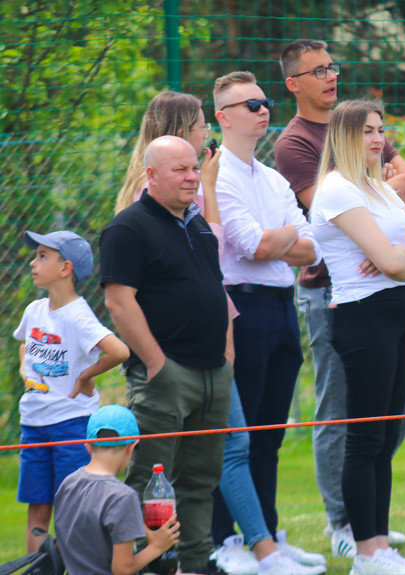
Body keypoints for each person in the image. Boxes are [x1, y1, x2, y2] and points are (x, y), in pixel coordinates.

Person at [274, 38, 405, 557]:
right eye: (317, 71)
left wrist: (387, 232)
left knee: (402, 405)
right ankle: (347, 526)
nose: (330, 76)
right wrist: (386, 239)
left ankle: (369, 528)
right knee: (344, 416)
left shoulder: (360, 133)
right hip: (337, 297)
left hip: (394, 295)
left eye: (332, 66)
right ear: (293, 83)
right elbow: (346, 219)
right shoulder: (297, 144)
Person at [310, 99, 405, 575]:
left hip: (397, 311)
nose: (378, 139)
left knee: (385, 436)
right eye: (367, 130)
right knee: (364, 438)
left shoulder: (379, 188)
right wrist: (403, 256)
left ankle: (379, 546)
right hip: (362, 317)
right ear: (345, 135)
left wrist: (400, 252)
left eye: (380, 130)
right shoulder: (337, 189)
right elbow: (389, 264)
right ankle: (366, 554)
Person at [101, 135, 233, 574]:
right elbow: (120, 302)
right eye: (181, 170)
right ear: (151, 175)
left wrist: (227, 357)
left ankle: (195, 565)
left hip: (214, 373)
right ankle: (138, 566)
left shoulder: (196, 224)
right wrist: (157, 364)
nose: (193, 177)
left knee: (200, 482)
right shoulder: (128, 227)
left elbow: (217, 292)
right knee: (147, 481)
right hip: (165, 378)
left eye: (195, 168)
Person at [210, 70, 325, 572]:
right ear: (223, 117)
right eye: (251, 104)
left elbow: (311, 244)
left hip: (281, 307)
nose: (263, 111)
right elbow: (246, 245)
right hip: (242, 307)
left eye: (265, 102)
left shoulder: (274, 178)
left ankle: (269, 534)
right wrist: (277, 241)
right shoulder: (216, 176)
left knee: (271, 432)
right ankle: (226, 540)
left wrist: (270, 240)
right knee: (239, 433)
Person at [14, 230, 129, 553]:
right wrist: (26, 367)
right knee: (38, 507)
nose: (33, 263)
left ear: (66, 269)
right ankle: (39, 568)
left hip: (71, 425)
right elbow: (26, 344)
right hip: (33, 424)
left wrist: (85, 376)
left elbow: (119, 351)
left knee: (73, 507)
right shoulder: (34, 310)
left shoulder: (79, 316)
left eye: (42, 256)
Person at [54, 405, 180, 575]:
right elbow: (122, 569)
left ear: (87, 446)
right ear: (131, 447)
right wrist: (157, 547)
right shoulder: (122, 497)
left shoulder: (67, 484)